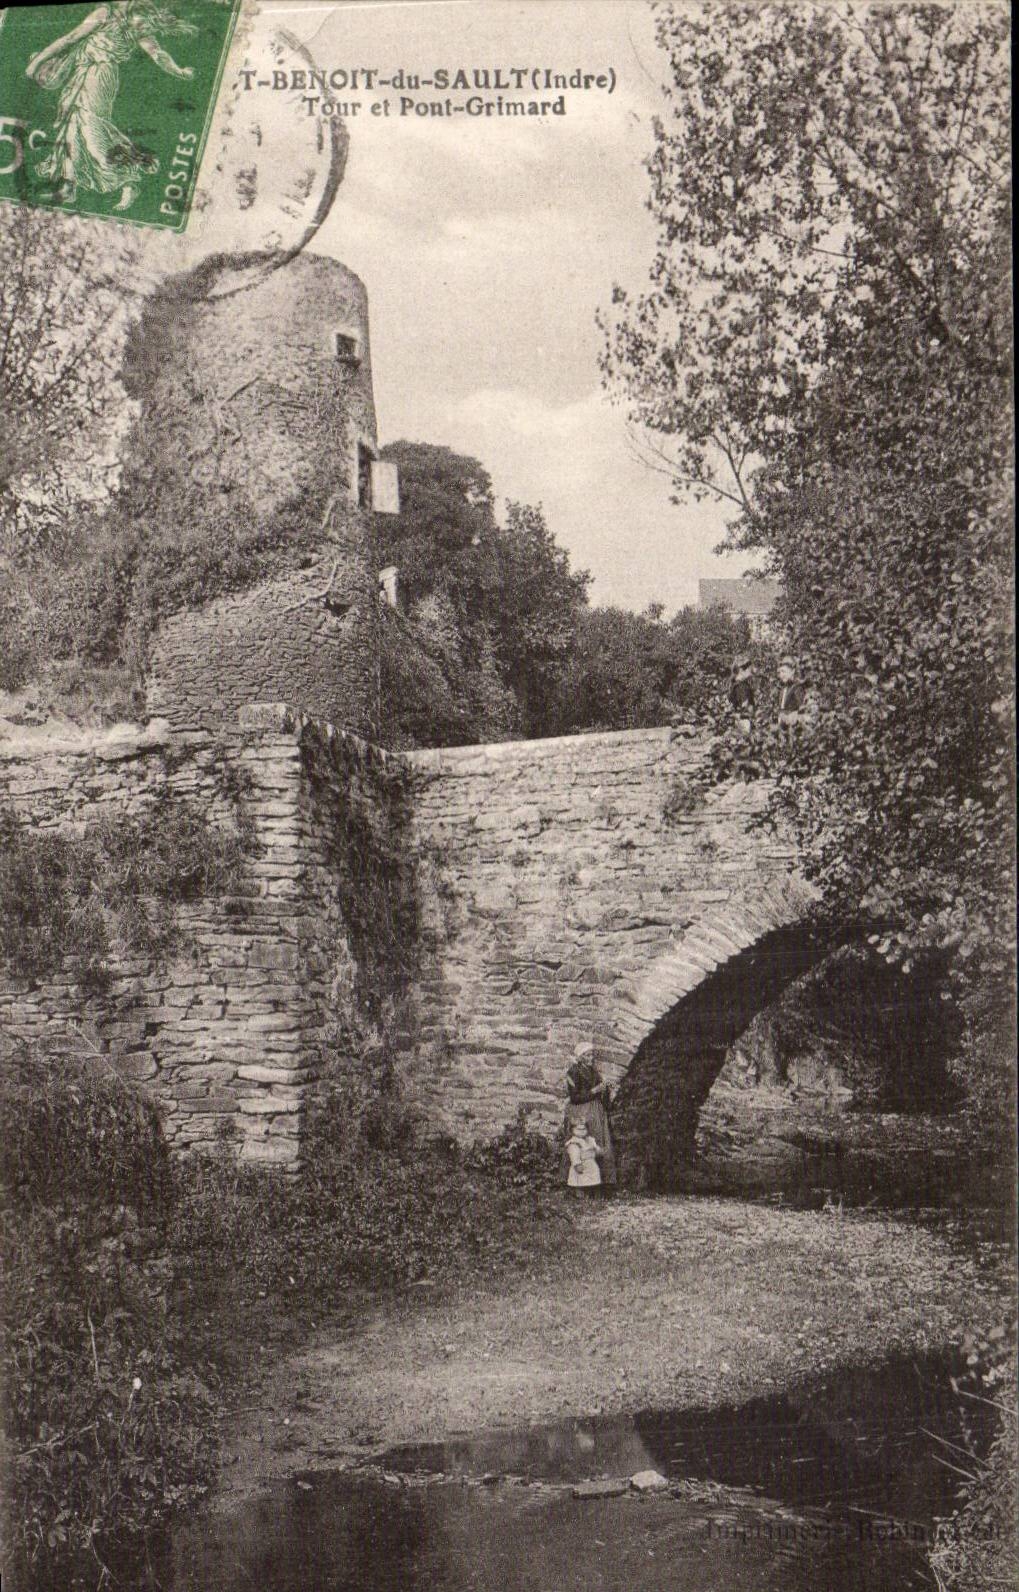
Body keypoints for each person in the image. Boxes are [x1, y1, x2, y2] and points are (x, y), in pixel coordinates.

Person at [25, 2, 196, 213]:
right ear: (135, 11)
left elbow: (158, 54)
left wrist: (179, 71)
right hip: (83, 72)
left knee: (90, 129)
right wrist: (37, 62)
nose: (143, 30)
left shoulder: (137, 30)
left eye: (150, 27)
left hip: (100, 77)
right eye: (145, 23)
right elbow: (70, 38)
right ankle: (67, 186)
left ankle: (128, 182)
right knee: (72, 126)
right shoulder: (105, 14)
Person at [563, 1044, 617, 1192]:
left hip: (596, 1112)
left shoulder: (593, 1071)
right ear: (579, 1057)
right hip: (582, 1112)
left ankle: (600, 1183)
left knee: (598, 1143)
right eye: (586, 1055)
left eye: (591, 1055)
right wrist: (594, 1090)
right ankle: (578, 1185)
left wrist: (606, 1089)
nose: (590, 1058)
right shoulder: (573, 1072)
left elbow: (600, 1092)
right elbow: (574, 1097)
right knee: (582, 1145)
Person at [564, 1122, 602, 1195]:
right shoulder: (574, 1142)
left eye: (584, 1129)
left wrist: (598, 1150)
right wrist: (577, 1164)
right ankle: (579, 1194)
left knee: (592, 1180)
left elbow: (595, 1148)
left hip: (591, 1163)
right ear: (572, 1131)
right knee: (580, 1180)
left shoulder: (590, 1140)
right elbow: (574, 1154)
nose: (582, 1131)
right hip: (581, 1164)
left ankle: (591, 1193)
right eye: (578, 1129)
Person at [728, 654, 755, 731]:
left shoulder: (734, 685)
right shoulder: (742, 686)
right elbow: (745, 706)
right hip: (745, 722)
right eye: (750, 668)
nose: (752, 670)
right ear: (742, 670)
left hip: (738, 721)